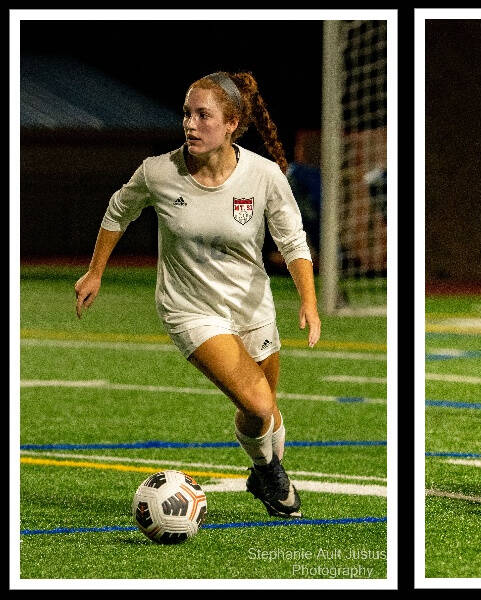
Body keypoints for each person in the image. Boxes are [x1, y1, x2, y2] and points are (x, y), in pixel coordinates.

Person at [73, 71, 321, 519]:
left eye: (203, 115)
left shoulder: (263, 175)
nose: (190, 124)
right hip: (189, 309)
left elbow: (293, 242)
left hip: (252, 305)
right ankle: (271, 472)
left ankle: (263, 469)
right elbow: (118, 210)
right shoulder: (158, 172)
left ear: (231, 123)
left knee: (266, 414)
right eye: (187, 114)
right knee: (259, 403)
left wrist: (309, 301)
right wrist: (95, 273)